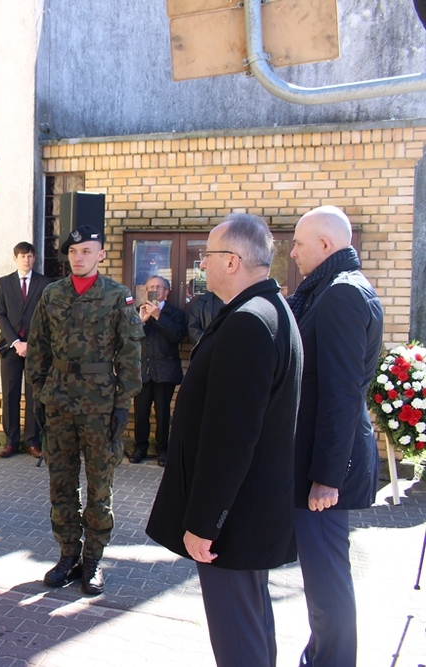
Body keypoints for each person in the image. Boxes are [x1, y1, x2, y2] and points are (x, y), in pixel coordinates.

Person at [145, 214, 302, 667]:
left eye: (207, 255)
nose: (201, 264)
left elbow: (231, 436)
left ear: (231, 261)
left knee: (237, 634)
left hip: (233, 519)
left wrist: (205, 522)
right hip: (246, 511)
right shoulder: (263, 309)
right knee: (250, 626)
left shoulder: (250, 322)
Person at [288, 205, 383, 667]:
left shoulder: (341, 294)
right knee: (324, 578)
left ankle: (333, 661)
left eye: (299, 244)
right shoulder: (331, 289)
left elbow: (342, 394)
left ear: (326, 245)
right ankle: (323, 654)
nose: (293, 252)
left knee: (327, 582)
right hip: (320, 463)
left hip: (326, 471)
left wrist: (326, 478)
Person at [26, 225, 143, 596]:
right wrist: (39, 395)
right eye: (74, 252)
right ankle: (67, 554)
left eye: (87, 251)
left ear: (101, 255)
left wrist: (123, 407)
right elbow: (38, 346)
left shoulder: (117, 297)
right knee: (60, 485)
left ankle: (93, 559)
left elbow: (129, 356)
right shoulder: (52, 295)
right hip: (59, 403)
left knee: (98, 488)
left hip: (99, 407)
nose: (79, 257)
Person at [0, 242, 53, 458]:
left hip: (35, 348)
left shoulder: (45, 283)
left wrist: (31, 343)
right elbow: (0, 314)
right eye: (22, 256)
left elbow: (47, 315)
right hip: (10, 348)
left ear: (34, 258)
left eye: (29, 256)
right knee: (10, 394)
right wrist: (16, 342)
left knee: (34, 395)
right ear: (15, 258)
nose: (26, 260)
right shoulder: (4, 283)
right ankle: (11, 442)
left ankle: (32, 441)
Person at [129, 275, 186, 466]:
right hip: (143, 371)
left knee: (162, 414)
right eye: (151, 287)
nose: (155, 290)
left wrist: (158, 316)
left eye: (159, 287)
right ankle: (140, 448)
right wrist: (142, 321)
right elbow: (129, 339)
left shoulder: (175, 313)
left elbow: (176, 336)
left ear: (167, 292)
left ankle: (163, 450)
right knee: (141, 413)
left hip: (164, 372)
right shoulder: (137, 312)